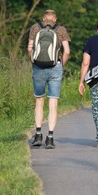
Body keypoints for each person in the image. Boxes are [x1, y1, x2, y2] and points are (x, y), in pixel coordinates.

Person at [28, 9, 71, 149]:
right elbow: (67, 51)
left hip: (38, 68)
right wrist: (61, 65)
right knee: (53, 103)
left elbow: (30, 48)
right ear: (55, 19)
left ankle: (38, 134)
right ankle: (50, 138)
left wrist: (34, 61)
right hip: (55, 67)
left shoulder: (35, 27)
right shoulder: (61, 30)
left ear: (43, 18)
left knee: (39, 101)